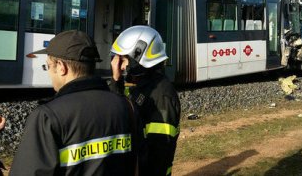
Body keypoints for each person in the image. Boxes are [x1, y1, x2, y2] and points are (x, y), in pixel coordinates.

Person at [10, 30, 136, 176]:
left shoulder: (47, 117)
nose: (49, 73)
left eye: (48, 66)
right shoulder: (127, 107)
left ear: (62, 67)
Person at [109, 25, 181, 176]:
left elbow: (158, 153)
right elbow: (118, 112)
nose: (118, 65)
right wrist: (116, 81)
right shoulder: (141, 86)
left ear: (138, 56)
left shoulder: (162, 97)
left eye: (122, 59)